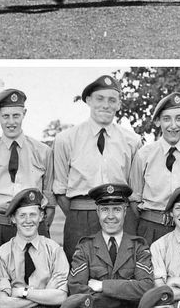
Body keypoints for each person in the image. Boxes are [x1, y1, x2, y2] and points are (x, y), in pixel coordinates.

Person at [52, 74, 142, 259]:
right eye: (100, 99)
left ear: (118, 104)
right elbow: (60, 189)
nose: (106, 105)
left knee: (122, 270)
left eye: (112, 100)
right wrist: (82, 214)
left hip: (120, 215)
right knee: (79, 271)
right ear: (88, 100)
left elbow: (135, 191)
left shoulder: (132, 141)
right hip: (81, 216)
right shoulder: (66, 139)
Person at [66, 183, 153, 308]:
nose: (111, 216)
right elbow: (76, 288)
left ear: (125, 211)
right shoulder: (85, 247)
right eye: (105, 210)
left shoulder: (138, 247)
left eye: (117, 209)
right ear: (98, 212)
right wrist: (127, 288)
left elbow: (146, 287)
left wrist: (102, 286)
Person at [0, 88, 55, 247]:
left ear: (24, 113)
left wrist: (40, 227)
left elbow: (49, 200)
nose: (11, 122)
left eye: (16, 115)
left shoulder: (43, 152)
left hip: (33, 226)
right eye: (5, 116)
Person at [129, 92, 180, 245]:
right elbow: (134, 200)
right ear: (158, 122)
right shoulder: (144, 155)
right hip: (150, 229)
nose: (173, 125)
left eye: (178, 118)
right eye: (166, 119)